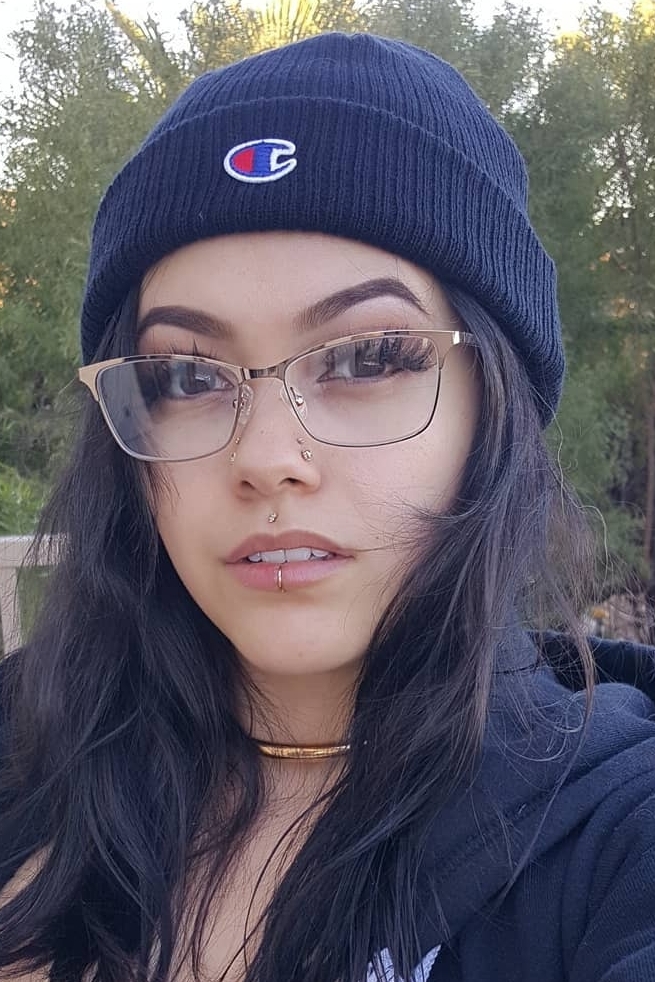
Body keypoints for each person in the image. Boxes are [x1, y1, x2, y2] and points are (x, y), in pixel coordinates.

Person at [1, 30, 654, 982]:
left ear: (494, 408)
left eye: (369, 357)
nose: (267, 460)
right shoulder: (26, 750)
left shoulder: (616, 839)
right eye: (184, 375)